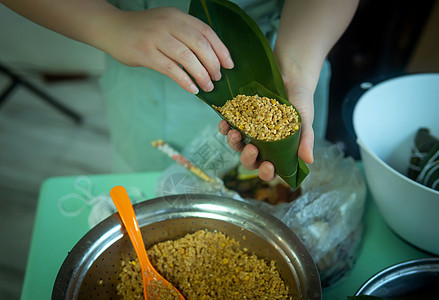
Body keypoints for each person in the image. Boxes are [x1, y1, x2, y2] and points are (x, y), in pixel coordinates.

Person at [1, 0, 359, 181]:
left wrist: (295, 70)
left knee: (271, 203)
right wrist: (108, 25)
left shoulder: (283, 84)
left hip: (282, 56)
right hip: (142, 86)